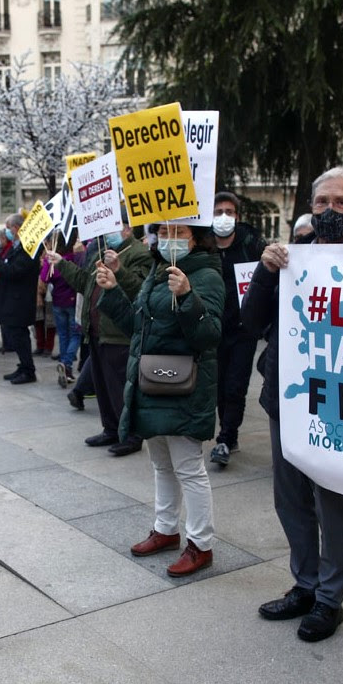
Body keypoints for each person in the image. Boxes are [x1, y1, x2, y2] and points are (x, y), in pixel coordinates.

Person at [243, 167, 343, 642]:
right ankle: (305, 584)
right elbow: (250, 322)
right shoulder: (289, 259)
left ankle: (330, 600)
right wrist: (266, 273)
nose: (329, 211)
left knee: (331, 502)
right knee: (290, 498)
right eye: (321, 202)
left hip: (339, 404)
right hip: (287, 398)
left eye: (340, 203)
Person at [96, 221, 223, 575]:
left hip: (184, 385)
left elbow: (209, 334)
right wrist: (112, 291)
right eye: (166, 232)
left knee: (188, 467)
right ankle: (166, 530)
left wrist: (186, 296)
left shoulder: (207, 275)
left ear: (197, 238)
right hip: (152, 382)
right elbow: (137, 326)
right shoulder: (156, 271)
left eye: (181, 233)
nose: (171, 239)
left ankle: (201, 544)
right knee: (161, 464)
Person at [49, 214, 152, 456]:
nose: (107, 234)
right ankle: (111, 429)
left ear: (127, 229)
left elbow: (139, 288)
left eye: (113, 228)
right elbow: (85, 282)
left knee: (120, 388)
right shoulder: (101, 252)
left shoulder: (138, 253)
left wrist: (119, 268)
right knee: (104, 386)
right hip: (97, 331)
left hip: (118, 332)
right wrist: (62, 263)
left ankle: (131, 435)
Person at [208, 191, 265, 468]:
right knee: (219, 384)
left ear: (237, 217)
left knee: (236, 385)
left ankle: (227, 437)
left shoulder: (251, 244)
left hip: (243, 329)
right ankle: (227, 429)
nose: (223, 217)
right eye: (218, 212)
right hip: (213, 329)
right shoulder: (204, 246)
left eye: (229, 212)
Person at [0, 214, 41, 384]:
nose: (7, 231)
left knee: (19, 334)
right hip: (12, 298)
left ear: (17, 228)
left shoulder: (28, 247)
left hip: (20, 299)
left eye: (9, 227)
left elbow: (14, 271)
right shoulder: (16, 246)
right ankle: (24, 365)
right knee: (14, 334)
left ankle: (28, 370)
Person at [41, 237, 82, 386]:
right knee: (75, 334)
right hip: (70, 302)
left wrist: (46, 262)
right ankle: (67, 364)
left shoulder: (59, 260)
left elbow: (44, 277)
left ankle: (65, 366)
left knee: (64, 335)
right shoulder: (74, 258)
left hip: (59, 301)